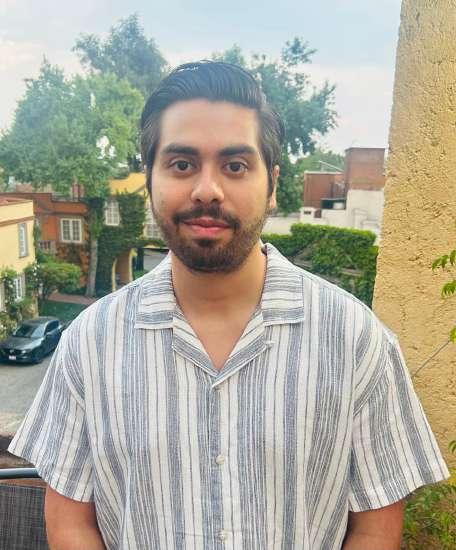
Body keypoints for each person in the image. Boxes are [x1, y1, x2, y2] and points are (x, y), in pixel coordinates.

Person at [9, 61, 449, 550]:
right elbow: (71, 522)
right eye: (182, 164)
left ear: (272, 184)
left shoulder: (356, 340)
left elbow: (374, 528)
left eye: (235, 166)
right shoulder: (89, 344)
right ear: (149, 178)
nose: (207, 190)